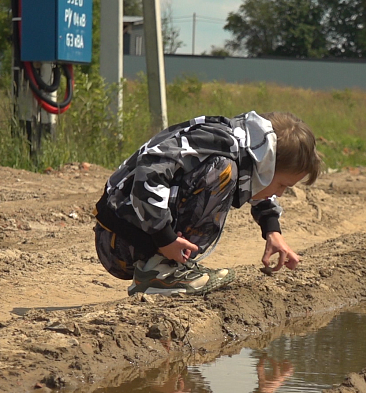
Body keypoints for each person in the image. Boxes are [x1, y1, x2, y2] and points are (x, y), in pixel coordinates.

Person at [93, 111, 322, 295]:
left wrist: (272, 229)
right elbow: (150, 167)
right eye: (282, 185)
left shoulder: (245, 147)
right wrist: (164, 238)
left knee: (229, 170)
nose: (280, 193)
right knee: (222, 170)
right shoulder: (221, 145)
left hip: (135, 239)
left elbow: (256, 183)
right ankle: (160, 274)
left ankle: (165, 268)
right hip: (118, 242)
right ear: (267, 167)